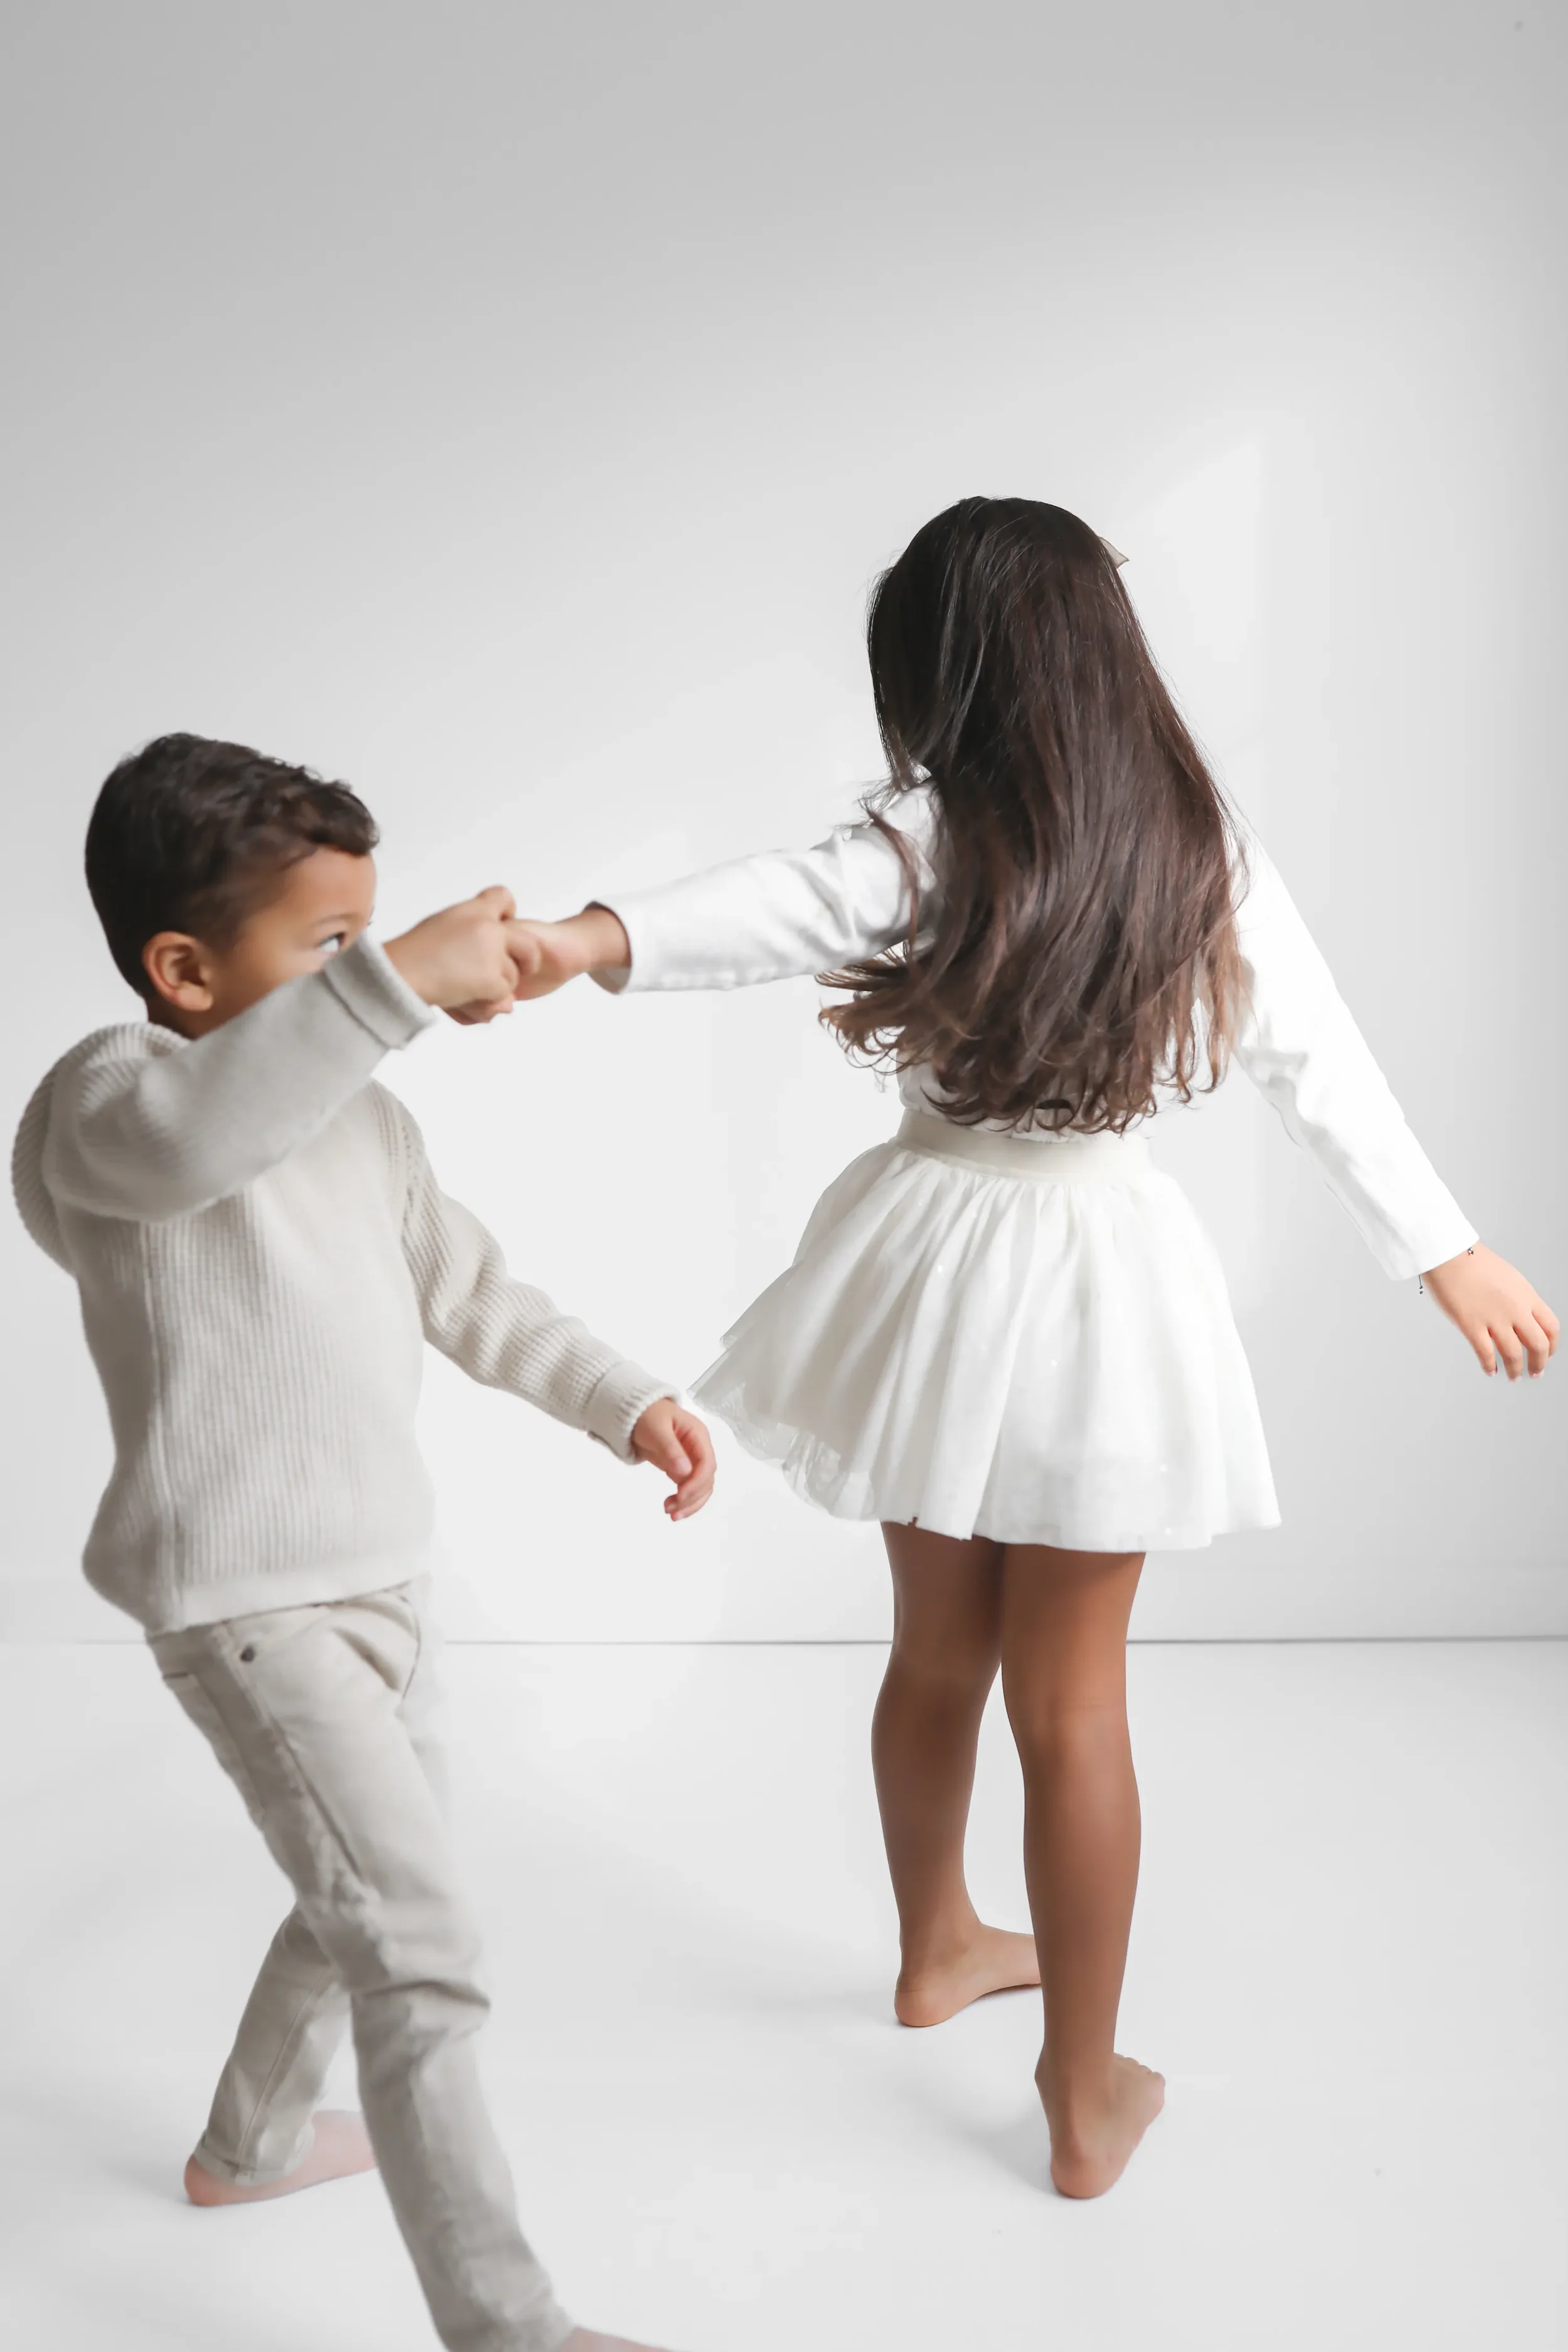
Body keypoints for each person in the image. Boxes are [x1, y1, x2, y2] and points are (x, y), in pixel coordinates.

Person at [504, 498, 1559, 2200]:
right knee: (1072, 1702)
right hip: (1089, 1272)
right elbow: (1318, 1065)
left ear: (934, 674)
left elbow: (763, 906)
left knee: (938, 1649)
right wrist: (1442, 1246)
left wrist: (580, 940)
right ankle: (1080, 2088)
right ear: (1102, 655)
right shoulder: (1196, 844)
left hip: (925, 1256)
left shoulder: (926, 838)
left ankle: (936, 1945)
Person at [11, 733, 715, 2352]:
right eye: (329, 946)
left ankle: (248, 2148)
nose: (366, 975)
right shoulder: (107, 1108)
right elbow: (208, 1137)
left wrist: (626, 1401)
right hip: (247, 1610)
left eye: (364, 938)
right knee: (425, 1951)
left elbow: (475, 1298)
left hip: (382, 1587)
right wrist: (392, 984)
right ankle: (507, 2327)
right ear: (181, 970)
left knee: (379, 1893)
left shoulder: (369, 1130)